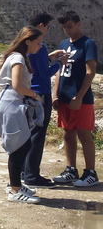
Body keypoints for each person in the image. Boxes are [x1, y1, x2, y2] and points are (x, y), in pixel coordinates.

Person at [0, 26, 45, 204]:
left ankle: (15, 183)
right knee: (18, 147)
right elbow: (18, 85)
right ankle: (15, 190)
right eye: (38, 43)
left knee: (24, 144)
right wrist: (35, 95)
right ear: (27, 41)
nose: (40, 46)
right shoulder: (18, 58)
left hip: (14, 103)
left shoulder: (19, 57)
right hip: (12, 104)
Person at [52, 11, 99, 187]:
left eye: (70, 26)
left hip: (81, 98)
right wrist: (56, 94)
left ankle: (90, 173)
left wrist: (79, 96)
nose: (67, 30)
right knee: (67, 132)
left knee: (83, 133)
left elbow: (90, 72)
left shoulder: (88, 44)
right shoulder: (64, 44)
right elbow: (59, 71)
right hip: (64, 96)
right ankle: (71, 169)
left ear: (79, 24)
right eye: (64, 27)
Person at [23, 11, 69, 188]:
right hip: (40, 94)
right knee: (37, 136)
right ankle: (32, 176)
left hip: (28, 93)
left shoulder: (27, 43)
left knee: (27, 134)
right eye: (48, 27)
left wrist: (50, 57)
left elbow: (34, 65)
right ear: (41, 26)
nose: (48, 30)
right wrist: (60, 62)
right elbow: (45, 74)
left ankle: (23, 171)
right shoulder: (39, 46)